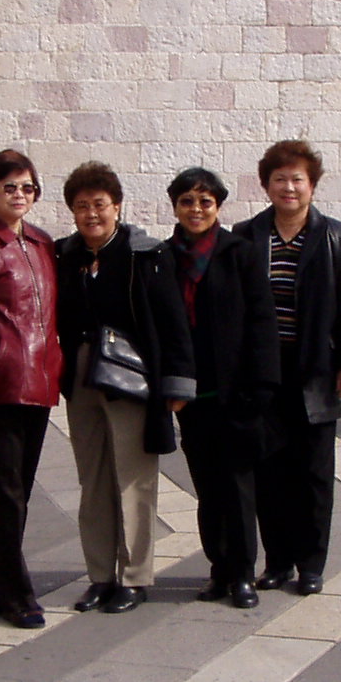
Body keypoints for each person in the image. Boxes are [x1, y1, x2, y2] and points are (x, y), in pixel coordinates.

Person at [55, 161, 196, 614]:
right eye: (82, 206)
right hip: (81, 379)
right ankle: (100, 575)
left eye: (100, 205)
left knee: (133, 479)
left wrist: (177, 384)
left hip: (131, 379)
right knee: (92, 480)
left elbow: (173, 322)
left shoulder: (145, 255)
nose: (91, 214)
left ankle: (134, 577)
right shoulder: (66, 256)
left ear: (117, 207)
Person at [234, 140, 341, 597]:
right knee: (269, 471)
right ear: (266, 184)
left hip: (316, 370)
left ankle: (311, 564)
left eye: (298, 179)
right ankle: (278, 561)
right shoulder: (248, 235)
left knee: (313, 473)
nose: (289, 187)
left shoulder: (335, 236)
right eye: (280, 179)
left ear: (312, 185)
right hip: (266, 371)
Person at [166, 167, 279, 611]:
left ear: (218, 206)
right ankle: (218, 569)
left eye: (205, 201)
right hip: (191, 397)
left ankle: (243, 574)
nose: (196, 209)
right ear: (174, 206)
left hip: (236, 393)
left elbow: (262, 321)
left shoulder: (240, 253)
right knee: (207, 488)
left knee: (238, 486)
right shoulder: (164, 258)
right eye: (187, 202)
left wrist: (262, 386)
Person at [0, 149, 63, 629]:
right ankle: (15, 593)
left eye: (27, 187)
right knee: (8, 491)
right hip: (2, 385)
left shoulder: (41, 242)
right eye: (10, 187)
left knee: (16, 487)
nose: (20, 195)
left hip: (40, 383)